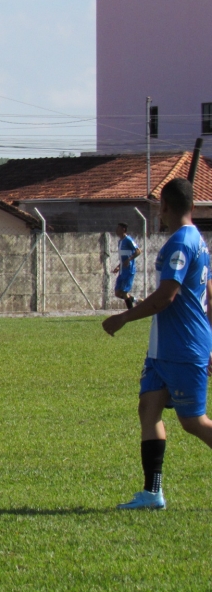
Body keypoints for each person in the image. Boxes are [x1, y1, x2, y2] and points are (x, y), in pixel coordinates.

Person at [102, 178, 212, 510]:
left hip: (183, 348)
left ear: (162, 207)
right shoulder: (198, 241)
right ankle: (153, 493)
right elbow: (209, 294)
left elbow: (166, 296)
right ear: (193, 207)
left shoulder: (181, 243)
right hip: (163, 349)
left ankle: (153, 492)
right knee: (148, 409)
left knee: (193, 421)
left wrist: (123, 318)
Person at [112, 222, 141, 309]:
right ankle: (136, 300)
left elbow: (138, 251)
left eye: (118, 228)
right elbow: (123, 258)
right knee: (118, 293)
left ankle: (131, 312)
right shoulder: (120, 241)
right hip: (122, 270)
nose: (116, 230)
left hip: (129, 270)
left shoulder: (128, 240)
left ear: (123, 229)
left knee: (124, 292)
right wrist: (118, 266)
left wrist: (129, 260)